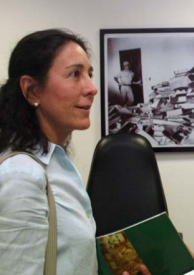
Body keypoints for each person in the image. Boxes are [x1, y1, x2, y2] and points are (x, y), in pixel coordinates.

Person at [0, 29, 150, 275]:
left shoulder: (56, 162)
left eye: (89, 75)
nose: (92, 88)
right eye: (74, 74)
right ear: (32, 91)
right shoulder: (20, 177)